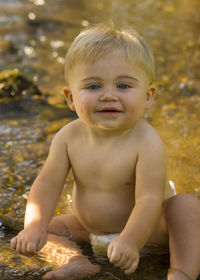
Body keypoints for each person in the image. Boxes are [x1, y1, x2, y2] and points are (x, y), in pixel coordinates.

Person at [11, 23, 200, 280]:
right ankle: (75, 261)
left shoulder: (147, 142)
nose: (109, 96)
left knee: (186, 209)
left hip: (151, 230)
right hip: (88, 228)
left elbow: (149, 200)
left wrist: (131, 241)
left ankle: (181, 271)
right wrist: (33, 227)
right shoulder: (68, 137)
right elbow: (46, 184)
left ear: (148, 96)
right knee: (51, 228)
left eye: (123, 86)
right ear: (70, 98)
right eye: (93, 86)